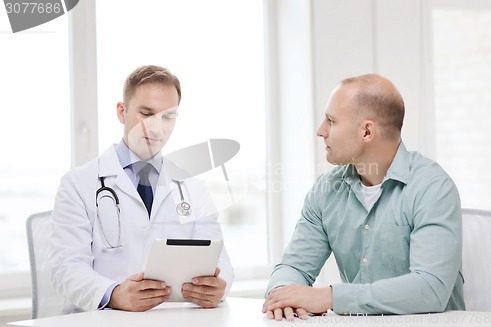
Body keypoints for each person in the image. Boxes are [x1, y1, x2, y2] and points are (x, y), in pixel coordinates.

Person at [262, 74, 465, 320]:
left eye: (331, 121)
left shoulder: (432, 187)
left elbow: (431, 289)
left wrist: (329, 297)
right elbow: (293, 267)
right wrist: (282, 295)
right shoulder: (326, 190)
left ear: (367, 131)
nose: (320, 131)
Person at [49, 65, 233, 314]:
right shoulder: (78, 184)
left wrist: (217, 288)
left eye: (167, 117)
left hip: (171, 319)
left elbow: (220, 262)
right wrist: (113, 294)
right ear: (122, 112)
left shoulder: (193, 187)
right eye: (146, 114)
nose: (156, 128)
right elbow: (66, 268)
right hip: (102, 319)